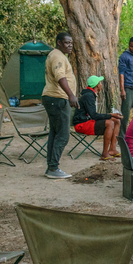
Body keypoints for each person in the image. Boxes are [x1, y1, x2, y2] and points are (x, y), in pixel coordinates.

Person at [41, 31, 78, 179]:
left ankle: (51, 166)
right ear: (59, 43)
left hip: (53, 98)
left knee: (55, 134)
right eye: (66, 43)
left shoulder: (57, 55)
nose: (70, 46)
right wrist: (71, 95)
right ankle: (53, 168)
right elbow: (60, 76)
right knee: (63, 134)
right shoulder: (57, 56)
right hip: (57, 98)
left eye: (71, 43)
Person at [73, 75, 123, 161]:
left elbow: (93, 115)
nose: (101, 85)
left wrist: (112, 116)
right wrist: (110, 115)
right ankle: (104, 154)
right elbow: (94, 116)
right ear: (97, 86)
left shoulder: (90, 94)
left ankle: (112, 149)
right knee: (109, 123)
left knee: (116, 121)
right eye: (100, 83)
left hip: (87, 121)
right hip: (81, 124)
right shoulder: (89, 96)